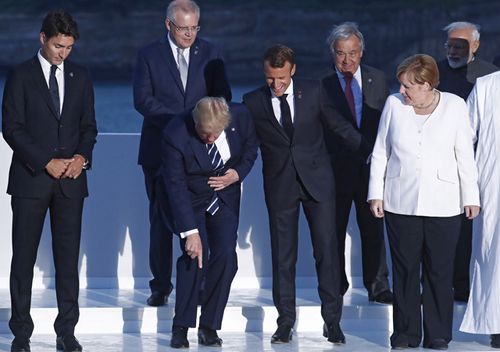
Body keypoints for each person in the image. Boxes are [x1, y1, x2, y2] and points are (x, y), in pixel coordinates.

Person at [243, 44, 369, 345]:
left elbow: (338, 125)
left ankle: (332, 321)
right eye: (271, 78)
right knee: (283, 257)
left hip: (319, 183)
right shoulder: (252, 101)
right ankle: (285, 321)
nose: (276, 85)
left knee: (327, 251)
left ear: (293, 70)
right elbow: (245, 143)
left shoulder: (313, 91)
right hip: (280, 186)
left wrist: (369, 151)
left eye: (282, 78)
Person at [368, 54, 480, 350]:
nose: (401, 91)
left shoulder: (455, 106)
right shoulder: (394, 105)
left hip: (444, 202)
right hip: (399, 201)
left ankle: (438, 334)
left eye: (407, 86)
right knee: (404, 271)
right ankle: (405, 334)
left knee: (439, 271)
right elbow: (381, 151)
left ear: (427, 84)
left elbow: (464, 154)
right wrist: (375, 193)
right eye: (400, 85)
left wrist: (471, 196)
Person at [1, 10, 97, 352]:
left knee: (68, 259)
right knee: (23, 259)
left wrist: (81, 158)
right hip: (30, 181)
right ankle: (21, 334)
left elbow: (89, 128)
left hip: (72, 183)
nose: (64, 53)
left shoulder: (81, 76)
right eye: (59, 46)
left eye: (69, 47)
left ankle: (66, 332)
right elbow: (11, 128)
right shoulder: (21, 76)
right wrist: (45, 161)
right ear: (43, 38)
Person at [133, 0, 231, 307]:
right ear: (168, 25)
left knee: (197, 220)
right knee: (161, 220)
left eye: (194, 28)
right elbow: (142, 100)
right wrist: (181, 123)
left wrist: (203, 123)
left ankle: (197, 285)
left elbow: (223, 95)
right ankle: (160, 286)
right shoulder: (149, 54)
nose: (189, 34)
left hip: (200, 151)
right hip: (159, 150)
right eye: (183, 28)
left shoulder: (211, 52)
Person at [161, 97, 257, 348]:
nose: (211, 139)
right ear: (195, 124)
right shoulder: (175, 134)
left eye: (216, 134)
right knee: (195, 256)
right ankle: (181, 326)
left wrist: (237, 174)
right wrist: (189, 231)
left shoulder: (241, 116)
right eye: (205, 134)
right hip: (190, 198)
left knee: (226, 256)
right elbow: (175, 185)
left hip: (225, 195)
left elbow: (250, 148)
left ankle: (209, 326)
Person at [322, 22, 392, 304]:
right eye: (341, 53)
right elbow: (329, 125)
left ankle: (378, 287)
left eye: (352, 53)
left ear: (361, 52)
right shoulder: (322, 86)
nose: (347, 60)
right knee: (334, 230)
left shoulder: (379, 79)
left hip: (371, 170)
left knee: (373, 230)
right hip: (335, 170)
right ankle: (336, 285)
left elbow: (387, 123)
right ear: (333, 54)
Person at [436, 21, 497, 303]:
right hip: (447, 163)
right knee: (451, 231)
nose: (454, 50)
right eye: (450, 45)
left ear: (475, 46)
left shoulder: (489, 77)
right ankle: (454, 286)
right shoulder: (433, 72)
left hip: (485, 168)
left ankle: (472, 288)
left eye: (460, 45)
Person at [460, 71, 500, 349]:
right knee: (494, 257)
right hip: (494, 185)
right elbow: (464, 135)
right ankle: (496, 324)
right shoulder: (487, 86)